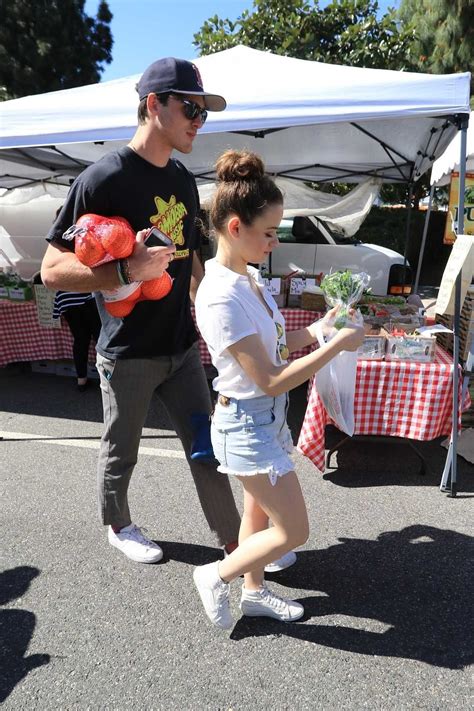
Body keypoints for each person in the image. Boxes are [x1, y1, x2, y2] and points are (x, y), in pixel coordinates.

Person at [40, 56, 245, 564]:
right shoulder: (102, 178)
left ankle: (237, 543)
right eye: (190, 107)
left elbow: (191, 256)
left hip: (180, 345)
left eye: (204, 111)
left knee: (209, 448)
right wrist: (128, 274)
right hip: (127, 349)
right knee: (121, 448)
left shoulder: (181, 178)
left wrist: (219, 307)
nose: (199, 120)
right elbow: (51, 270)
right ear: (154, 105)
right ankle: (119, 523)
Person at [193, 149, 365, 629]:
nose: (274, 242)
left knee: (259, 515)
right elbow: (268, 376)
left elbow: (274, 346)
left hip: (261, 417)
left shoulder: (246, 277)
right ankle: (215, 574)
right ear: (234, 227)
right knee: (294, 530)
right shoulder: (220, 294)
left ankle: (252, 592)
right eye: (268, 232)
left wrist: (320, 329)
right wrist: (337, 347)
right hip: (247, 420)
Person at [52, 289, 101, 391]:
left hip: (65, 298)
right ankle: (107, 378)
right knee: (100, 340)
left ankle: (81, 381)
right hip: (86, 295)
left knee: (80, 340)